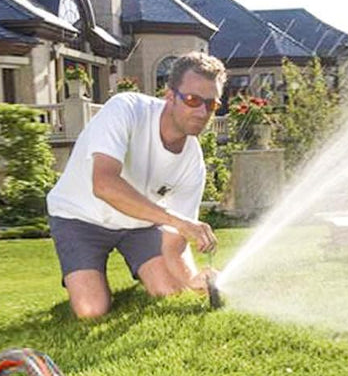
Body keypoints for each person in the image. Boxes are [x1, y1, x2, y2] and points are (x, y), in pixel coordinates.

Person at [47, 51, 226, 318]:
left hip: (138, 226)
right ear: (169, 96)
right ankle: (83, 282)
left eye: (211, 105)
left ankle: (146, 274)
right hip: (79, 216)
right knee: (91, 309)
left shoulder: (193, 162)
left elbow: (174, 243)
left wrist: (192, 279)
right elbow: (104, 184)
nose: (202, 112)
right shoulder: (126, 109)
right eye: (192, 100)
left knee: (170, 291)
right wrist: (177, 221)